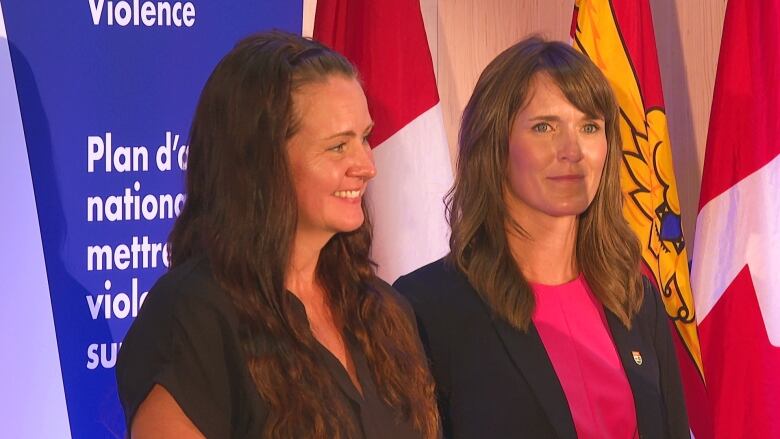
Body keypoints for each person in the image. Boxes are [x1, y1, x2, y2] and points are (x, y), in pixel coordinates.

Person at [116, 31, 439, 439]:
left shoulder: (385, 311)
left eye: (364, 138)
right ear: (262, 163)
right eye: (338, 147)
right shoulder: (194, 316)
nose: (366, 165)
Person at [393, 37, 689, 439]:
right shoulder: (427, 305)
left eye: (589, 127)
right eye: (544, 127)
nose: (572, 150)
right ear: (495, 145)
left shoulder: (636, 297)